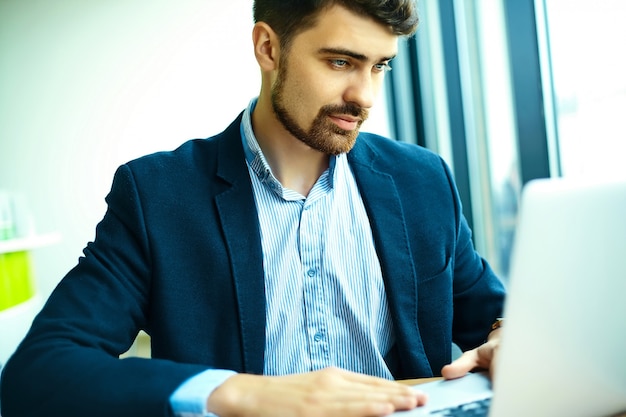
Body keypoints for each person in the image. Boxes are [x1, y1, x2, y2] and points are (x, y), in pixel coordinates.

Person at [0, 1, 506, 416]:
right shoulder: (157, 194)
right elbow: (40, 370)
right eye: (340, 62)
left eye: (380, 66)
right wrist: (243, 394)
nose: (364, 95)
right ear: (268, 48)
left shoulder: (422, 179)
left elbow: (495, 316)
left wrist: (507, 341)